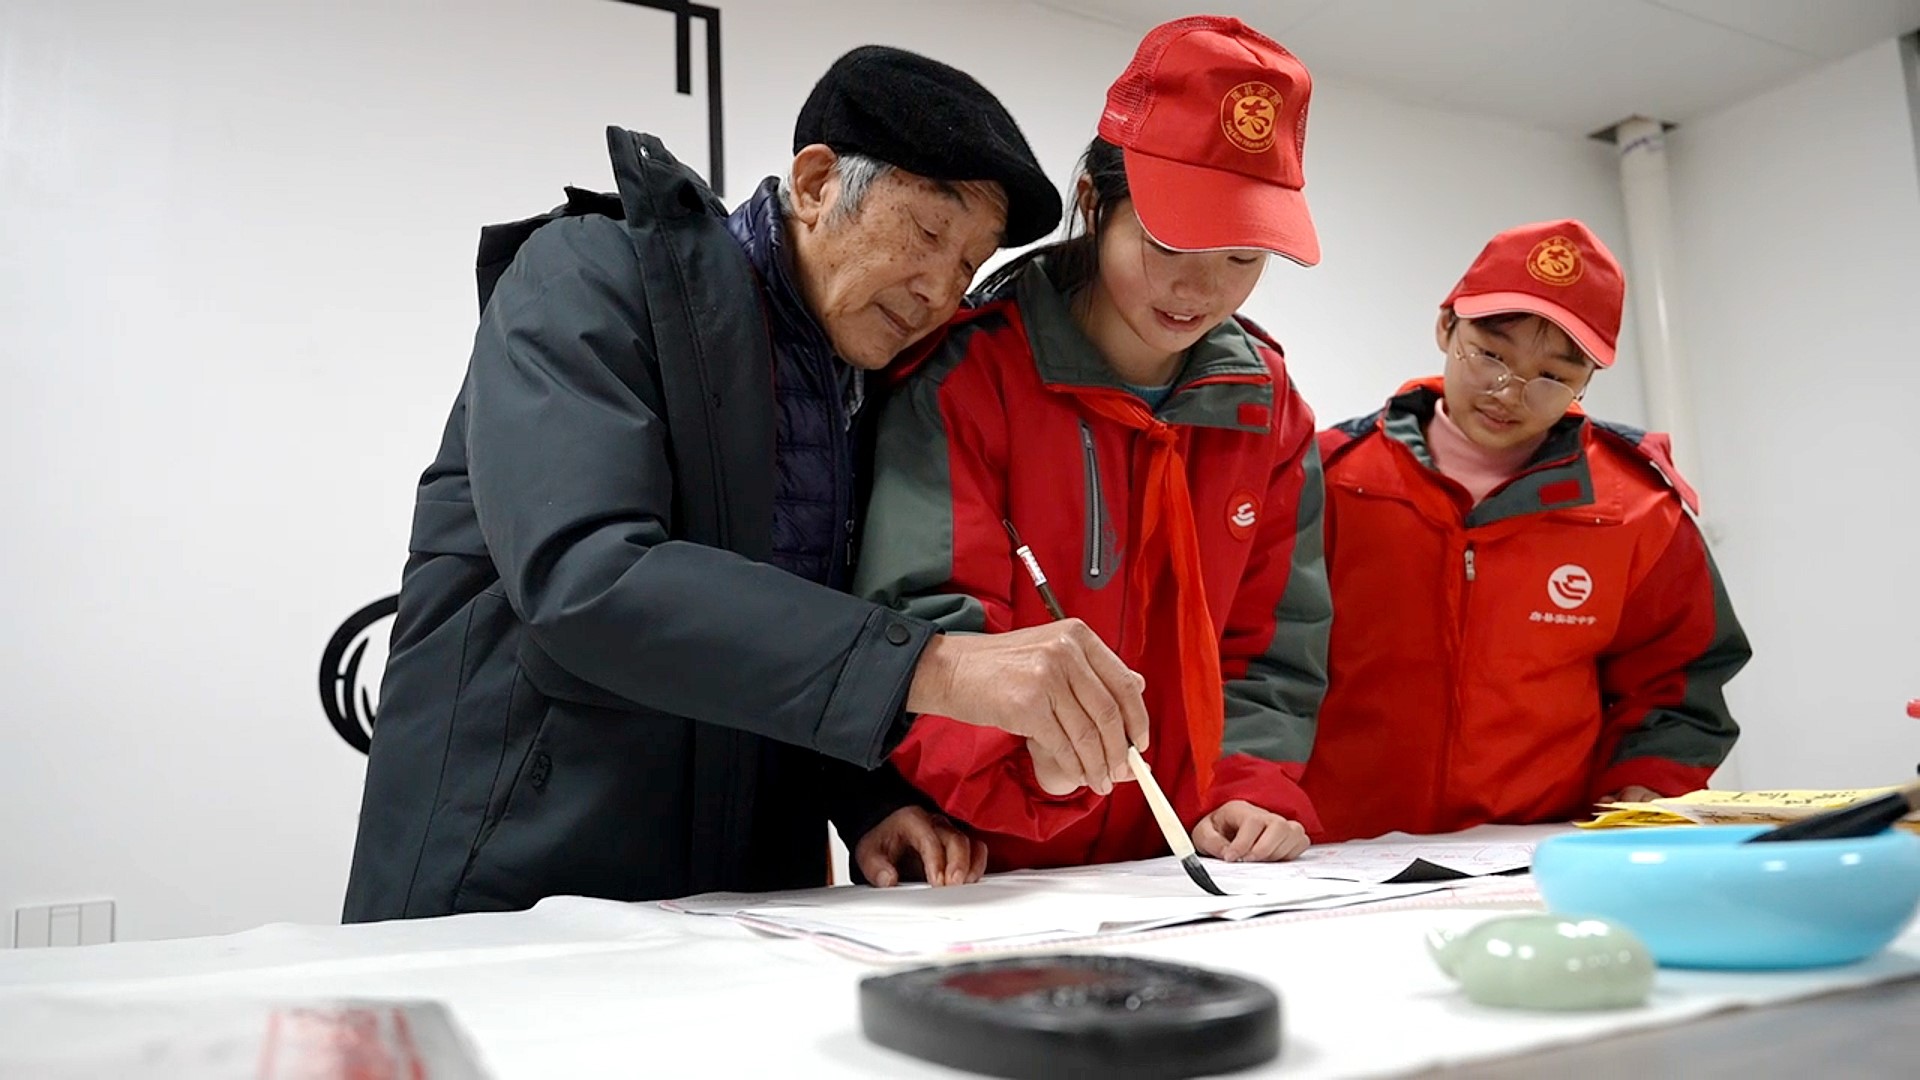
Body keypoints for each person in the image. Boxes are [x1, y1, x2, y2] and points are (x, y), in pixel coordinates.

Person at [343, 45, 1156, 921]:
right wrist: (936, 664)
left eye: (968, 264)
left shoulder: (868, 387)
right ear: (814, 184)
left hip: (736, 916)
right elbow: (586, 576)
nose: (939, 291)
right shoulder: (590, 277)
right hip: (509, 892)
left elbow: (779, 641)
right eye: (927, 234)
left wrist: (868, 800)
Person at [854, 17, 1330, 870]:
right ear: (1093, 201)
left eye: (1241, 257)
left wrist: (1250, 788)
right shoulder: (968, 377)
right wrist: (1032, 779)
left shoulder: (1268, 409)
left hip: (1188, 869)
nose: (1198, 289)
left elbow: (1275, 646)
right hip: (985, 864)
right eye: (1167, 241)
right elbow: (921, 630)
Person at [1300, 220, 1751, 841]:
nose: (1508, 393)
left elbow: (1681, 680)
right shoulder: (1327, 477)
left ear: (1584, 382)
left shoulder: (1637, 510)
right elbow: (1257, 657)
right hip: (1331, 850)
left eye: (1552, 378)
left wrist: (1646, 784)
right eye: (1490, 355)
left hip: (1534, 851)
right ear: (1445, 326)